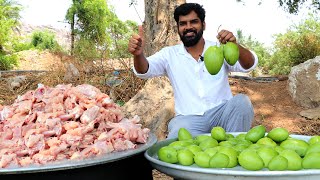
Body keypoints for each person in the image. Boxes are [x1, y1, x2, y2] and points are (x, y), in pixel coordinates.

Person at [128, 2, 258, 140]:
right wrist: (138, 54)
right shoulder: (169, 54)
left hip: (222, 115)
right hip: (188, 120)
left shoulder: (220, 48)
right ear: (178, 27)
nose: (188, 27)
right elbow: (144, 70)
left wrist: (234, 45)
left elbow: (249, 64)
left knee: (242, 103)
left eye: (194, 22)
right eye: (183, 23)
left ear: (203, 25)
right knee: (178, 134)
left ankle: (233, 148)